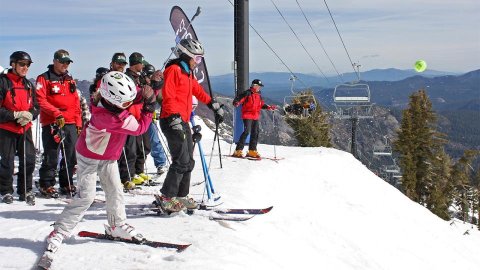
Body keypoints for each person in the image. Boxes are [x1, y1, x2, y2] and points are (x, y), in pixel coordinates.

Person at [45, 71, 155, 253]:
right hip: (89, 157)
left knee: (115, 190)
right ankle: (59, 231)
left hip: (108, 156)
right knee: (85, 197)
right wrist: (149, 106)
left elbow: (131, 96)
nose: (128, 104)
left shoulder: (110, 98)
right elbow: (140, 128)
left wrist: (149, 89)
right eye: (125, 103)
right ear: (112, 100)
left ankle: (116, 225)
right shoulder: (110, 117)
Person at [158, 38, 224, 212]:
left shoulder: (187, 73)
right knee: (180, 160)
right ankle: (167, 197)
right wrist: (174, 117)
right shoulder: (174, 70)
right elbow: (168, 95)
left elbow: (197, 91)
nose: (199, 62)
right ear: (187, 55)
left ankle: (181, 195)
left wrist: (212, 104)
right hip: (171, 120)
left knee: (189, 161)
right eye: (198, 58)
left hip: (182, 120)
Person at [36, 49, 82, 197]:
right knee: (52, 154)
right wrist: (56, 113)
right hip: (52, 122)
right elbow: (40, 100)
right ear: (55, 61)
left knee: (71, 155)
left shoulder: (69, 79)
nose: (65, 65)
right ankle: (46, 183)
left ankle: (66, 182)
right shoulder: (44, 78)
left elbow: (76, 102)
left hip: (70, 122)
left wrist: (78, 122)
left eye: (67, 62)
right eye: (62, 62)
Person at [0, 51, 39, 204]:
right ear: (13, 64)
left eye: (27, 65)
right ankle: (5, 190)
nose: (25, 68)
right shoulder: (3, 82)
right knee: (8, 161)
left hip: (25, 128)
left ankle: (25, 190)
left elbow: (36, 106)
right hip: (6, 128)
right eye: (22, 64)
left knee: (29, 160)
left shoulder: (28, 84)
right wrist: (15, 115)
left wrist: (30, 115)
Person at [232, 79, 276, 159]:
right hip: (247, 115)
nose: (259, 88)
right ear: (254, 85)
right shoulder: (247, 93)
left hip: (255, 115)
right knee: (247, 131)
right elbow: (239, 99)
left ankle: (252, 150)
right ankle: (238, 150)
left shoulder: (258, 95)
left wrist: (269, 107)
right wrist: (236, 102)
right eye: (259, 86)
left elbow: (261, 104)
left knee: (255, 132)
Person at [143, 64, 168, 175]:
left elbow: (161, 99)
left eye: (150, 74)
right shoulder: (141, 83)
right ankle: (137, 168)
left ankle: (161, 163)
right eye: (148, 74)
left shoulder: (154, 85)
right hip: (138, 117)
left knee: (154, 141)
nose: (149, 77)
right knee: (140, 144)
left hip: (148, 118)